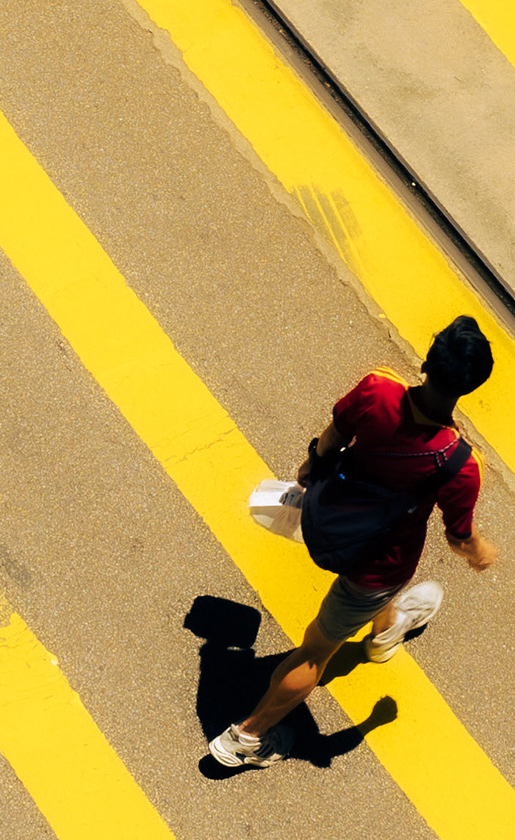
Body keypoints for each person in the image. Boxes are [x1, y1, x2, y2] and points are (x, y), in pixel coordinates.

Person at [211, 319, 497, 770]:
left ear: (425, 362)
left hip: (327, 520)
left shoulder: (378, 389)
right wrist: (479, 551)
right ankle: (245, 738)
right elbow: (458, 536)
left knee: (365, 602)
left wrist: (310, 467)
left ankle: (385, 632)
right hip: (378, 564)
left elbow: (333, 438)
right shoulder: (459, 462)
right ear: (472, 386)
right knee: (314, 652)